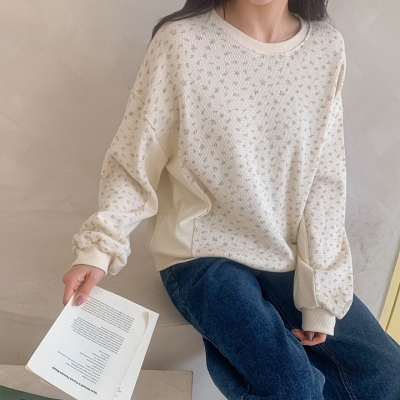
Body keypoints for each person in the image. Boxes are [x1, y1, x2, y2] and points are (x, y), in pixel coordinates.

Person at [62, 0, 400, 398]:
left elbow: (324, 179)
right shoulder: (182, 42)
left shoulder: (325, 48)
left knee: (387, 375)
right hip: (200, 256)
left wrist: (321, 298)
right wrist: (99, 249)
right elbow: (136, 156)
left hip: (284, 253)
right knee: (294, 388)